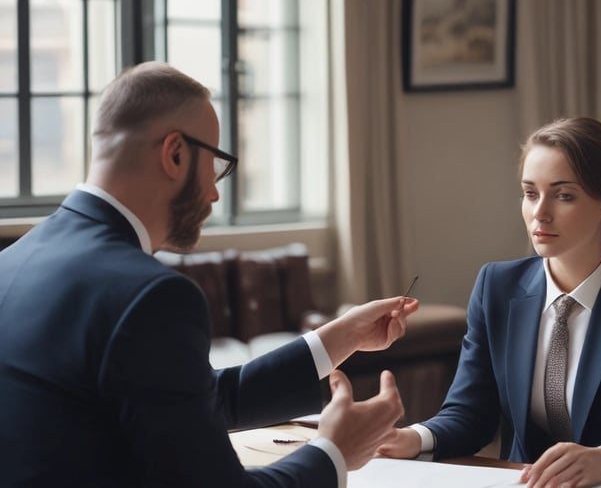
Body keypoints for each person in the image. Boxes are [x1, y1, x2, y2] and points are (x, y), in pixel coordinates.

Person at [0, 61, 419, 487]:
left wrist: (339, 337)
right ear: (175, 153)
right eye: (216, 164)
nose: (216, 191)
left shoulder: (12, 261)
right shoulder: (150, 294)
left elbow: (185, 398)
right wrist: (335, 453)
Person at [377, 117, 601, 487]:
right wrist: (412, 438)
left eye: (563, 195)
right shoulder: (496, 286)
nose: (539, 212)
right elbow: (470, 414)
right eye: (531, 193)